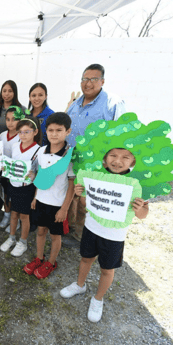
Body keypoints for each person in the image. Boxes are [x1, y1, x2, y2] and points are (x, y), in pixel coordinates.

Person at [60, 148, 148, 323]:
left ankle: (98, 299)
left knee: (107, 269)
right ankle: (80, 285)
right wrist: (80, 194)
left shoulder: (136, 184)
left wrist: (141, 209)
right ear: (104, 160)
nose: (118, 160)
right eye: (113, 156)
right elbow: (86, 204)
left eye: (125, 157)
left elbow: (143, 214)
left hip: (114, 236)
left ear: (133, 162)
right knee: (85, 259)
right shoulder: (94, 177)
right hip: (91, 229)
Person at [66, 64, 127, 242]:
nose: (88, 83)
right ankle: (69, 229)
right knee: (73, 195)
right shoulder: (75, 103)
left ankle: (81, 235)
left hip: (95, 163)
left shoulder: (112, 103)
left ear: (102, 81)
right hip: (72, 158)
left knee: (87, 199)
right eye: (85, 79)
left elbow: (121, 135)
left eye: (93, 79)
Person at [22, 112, 75, 274]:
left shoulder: (70, 155)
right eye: (50, 130)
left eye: (59, 130)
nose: (54, 134)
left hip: (57, 205)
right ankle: (39, 258)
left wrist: (64, 209)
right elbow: (40, 176)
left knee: (55, 236)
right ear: (46, 131)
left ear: (68, 131)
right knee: (40, 231)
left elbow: (72, 185)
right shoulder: (41, 151)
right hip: (40, 201)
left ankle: (51, 263)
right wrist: (35, 196)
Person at [0, 117, 41, 257]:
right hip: (13, 184)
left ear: (35, 132)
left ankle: (22, 242)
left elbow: (40, 173)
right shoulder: (15, 145)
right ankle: (11, 238)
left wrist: (34, 176)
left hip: (26, 188)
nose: (23, 135)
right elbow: (11, 163)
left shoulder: (39, 151)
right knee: (13, 213)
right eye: (20, 132)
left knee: (24, 216)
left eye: (27, 132)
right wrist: (5, 167)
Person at [0, 80, 26, 216]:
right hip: (0, 150)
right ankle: (2, 210)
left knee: (13, 190)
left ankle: (13, 214)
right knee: (1, 187)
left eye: (10, 91)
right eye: (4, 90)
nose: (7, 94)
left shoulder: (21, 109)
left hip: (14, 161)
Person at [0, 106, 21, 231]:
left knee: (14, 197)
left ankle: (15, 220)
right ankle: (6, 215)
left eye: (14, 119)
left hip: (15, 174)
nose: (10, 122)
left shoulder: (22, 137)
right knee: (6, 195)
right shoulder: (2, 135)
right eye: (8, 119)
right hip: (4, 173)